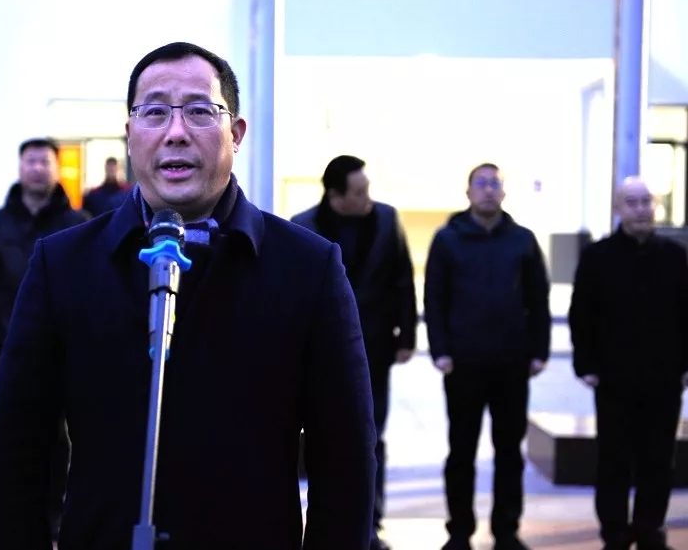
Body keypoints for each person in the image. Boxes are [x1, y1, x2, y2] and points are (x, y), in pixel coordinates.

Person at [0, 41, 377, 550]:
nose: (175, 133)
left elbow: (345, 457)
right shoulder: (63, 265)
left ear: (236, 133)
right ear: (130, 135)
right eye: (153, 113)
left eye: (199, 111)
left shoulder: (308, 267)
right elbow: (17, 447)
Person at [0, 136, 90, 539]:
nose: (37, 168)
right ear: (20, 168)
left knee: (58, 436)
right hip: (8, 344)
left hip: (67, 348)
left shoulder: (79, 223)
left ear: (56, 168)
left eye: (44, 161)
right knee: (10, 435)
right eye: (31, 161)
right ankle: (8, 516)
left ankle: (53, 513)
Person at [292, 155, 417, 550]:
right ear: (335, 195)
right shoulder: (303, 226)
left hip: (375, 346)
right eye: (359, 192)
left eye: (368, 190)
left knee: (370, 435)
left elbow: (403, 279)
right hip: (318, 351)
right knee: (320, 436)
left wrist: (407, 336)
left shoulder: (387, 219)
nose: (368, 198)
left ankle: (370, 525)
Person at [423, 163, 550, 550]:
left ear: (504, 192)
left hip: (512, 362)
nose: (489, 190)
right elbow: (434, 298)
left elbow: (538, 299)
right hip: (463, 362)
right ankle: (459, 532)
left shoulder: (523, 240)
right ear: (468, 192)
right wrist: (440, 350)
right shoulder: (448, 239)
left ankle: (506, 531)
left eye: (495, 183)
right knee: (461, 451)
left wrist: (539, 351)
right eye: (481, 183)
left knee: (510, 452)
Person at [568, 176, 688, 550]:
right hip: (613, 377)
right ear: (618, 208)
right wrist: (586, 364)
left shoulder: (675, 256)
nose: (640, 209)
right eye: (632, 202)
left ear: (656, 206)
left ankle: (650, 529)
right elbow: (581, 314)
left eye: (646, 202)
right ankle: (615, 532)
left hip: (664, 376)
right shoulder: (598, 256)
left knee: (658, 460)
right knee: (613, 459)